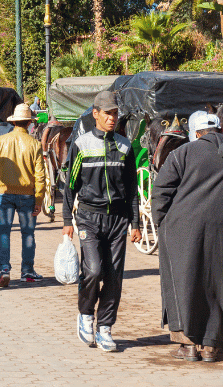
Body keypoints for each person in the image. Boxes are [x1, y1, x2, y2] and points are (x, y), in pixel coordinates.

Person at [151, 111, 223, 363]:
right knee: (217, 283)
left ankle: (188, 345)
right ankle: (211, 346)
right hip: (221, 230)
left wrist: (161, 222)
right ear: (218, 130)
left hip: (180, 228)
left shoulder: (181, 154)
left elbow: (161, 191)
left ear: (196, 133)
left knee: (183, 283)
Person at [62, 91, 142, 352]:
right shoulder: (81, 145)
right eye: (107, 113)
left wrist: (136, 223)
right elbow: (70, 186)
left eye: (115, 113)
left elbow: (132, 188)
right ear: (95, 114)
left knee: (114, 277)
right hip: (88, 218)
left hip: (118, 220)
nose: (112, 118)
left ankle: (105, 326)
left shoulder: (125, 146)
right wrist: (66, 220)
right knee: (94, 270)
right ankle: (86, 315)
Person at [0, 103, 45, 287]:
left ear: (14, 122)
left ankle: (4, 269)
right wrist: (39, 199)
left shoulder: (1, 141)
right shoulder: (34, 144)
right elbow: (40, 175)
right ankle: (27, 271)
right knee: (28, 234)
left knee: (3, 233)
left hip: (4, 193)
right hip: (27, 195)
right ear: (28, 123)